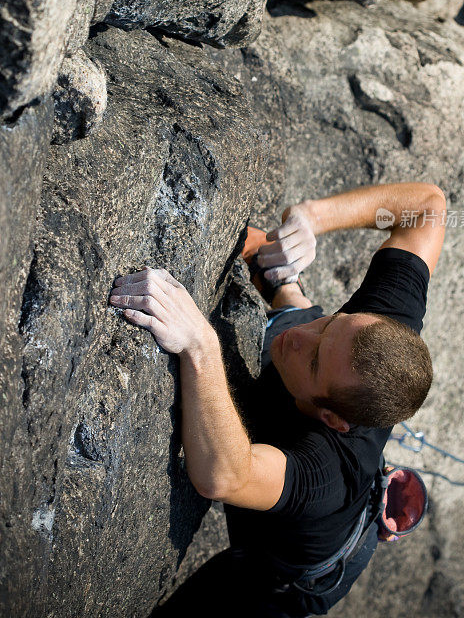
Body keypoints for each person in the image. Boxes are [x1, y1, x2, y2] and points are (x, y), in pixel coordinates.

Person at [108, 181, 446, 617]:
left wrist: (200, 345)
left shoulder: (326, 474)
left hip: (282, 583)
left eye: (316, 360)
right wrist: (313, 219)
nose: (302, 338)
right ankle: (283, 286)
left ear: (332, 417)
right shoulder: (377, 331)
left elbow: (225, 476)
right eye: (331, 323)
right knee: (291, 338)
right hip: (312, 414)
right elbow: (428, 207)